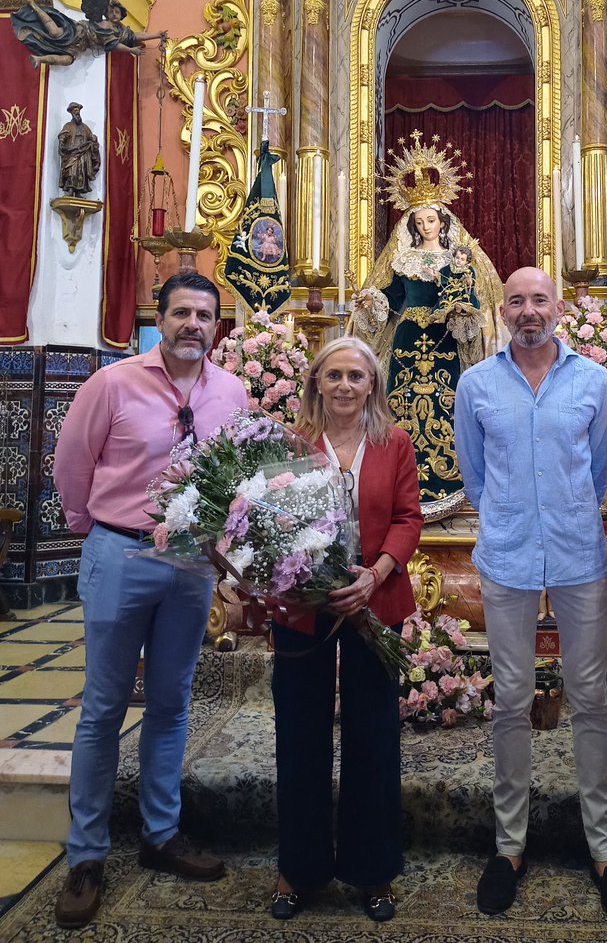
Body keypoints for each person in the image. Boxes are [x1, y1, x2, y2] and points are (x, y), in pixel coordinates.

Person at [52, 272, 248, 929]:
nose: (194, 324)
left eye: (205, 315)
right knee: (103, 708)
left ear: (217, 326)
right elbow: (71, 463)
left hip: (190, 564)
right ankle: (86, 855)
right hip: (121, 552)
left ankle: (161, 834)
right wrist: (97, 532)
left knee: (170, 702)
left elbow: (237, 478)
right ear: (159, 320)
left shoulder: (232, 392)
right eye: (182, 312)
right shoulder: (112, 383)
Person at [454, 267, 607, 925]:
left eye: (539, 299)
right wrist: (509, 517)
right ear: (502, 309)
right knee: (510, 699)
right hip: (507, 556)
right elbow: (474, 473)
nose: (528, 310)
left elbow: (601, 466)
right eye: (517, 301)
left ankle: (606, 852)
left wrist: (560, 512)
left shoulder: (594, 381)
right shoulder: (477, 384)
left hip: (576, 554)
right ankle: (509, 847)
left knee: (589, 697)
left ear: (557, 307)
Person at [269, 337, 423, 924]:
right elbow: (271, 521)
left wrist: (375, 574)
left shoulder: (394, 442)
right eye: (333, 375)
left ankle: (372, 868)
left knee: (373, 735)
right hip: (303, 605)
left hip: (374, 601)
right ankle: (298, 868)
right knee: (300, 734)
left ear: (372, 384)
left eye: (356, 376)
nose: (344, 386)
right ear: (316, 382)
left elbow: (408, 518)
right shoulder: (291, 443)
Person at [351, 188, 503, 518]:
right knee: (400, 401)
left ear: (442, 223)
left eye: (431, 220)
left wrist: (461, 309)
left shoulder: (458, 260)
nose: (425, 227)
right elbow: (392, 297)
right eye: (419, 222)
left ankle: (451, 476)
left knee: (447, 400)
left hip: (444, 336)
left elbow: (469, 295)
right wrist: (372, 299)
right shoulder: (404, 259)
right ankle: (398, 478)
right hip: (407, 338)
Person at [12, 0, 165, 68]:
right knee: (55, 33)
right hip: (79, 31)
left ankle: (39, 59)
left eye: (117, 13)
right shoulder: (105, 24)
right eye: (112, 11)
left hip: (81, 45)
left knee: (67, 60)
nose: (114, 14)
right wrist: (130, 50)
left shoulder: (122, 32)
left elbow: (136, 35)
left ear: (121, 16)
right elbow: (115, 45)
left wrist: (156, 35)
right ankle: (32, 4)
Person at [58, 102, 101, 196]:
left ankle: (78, 191)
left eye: (78, 111)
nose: (77, 113)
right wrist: (62, 142)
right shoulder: (68, 125)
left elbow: (91, 138)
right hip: (72, 151)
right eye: (75, 111)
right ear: (72, 112)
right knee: (71, 170)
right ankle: (70, 189)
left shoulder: (85, 127)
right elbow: (63, 135)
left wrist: (94, 140)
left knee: (81, 171)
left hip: (83, 153)